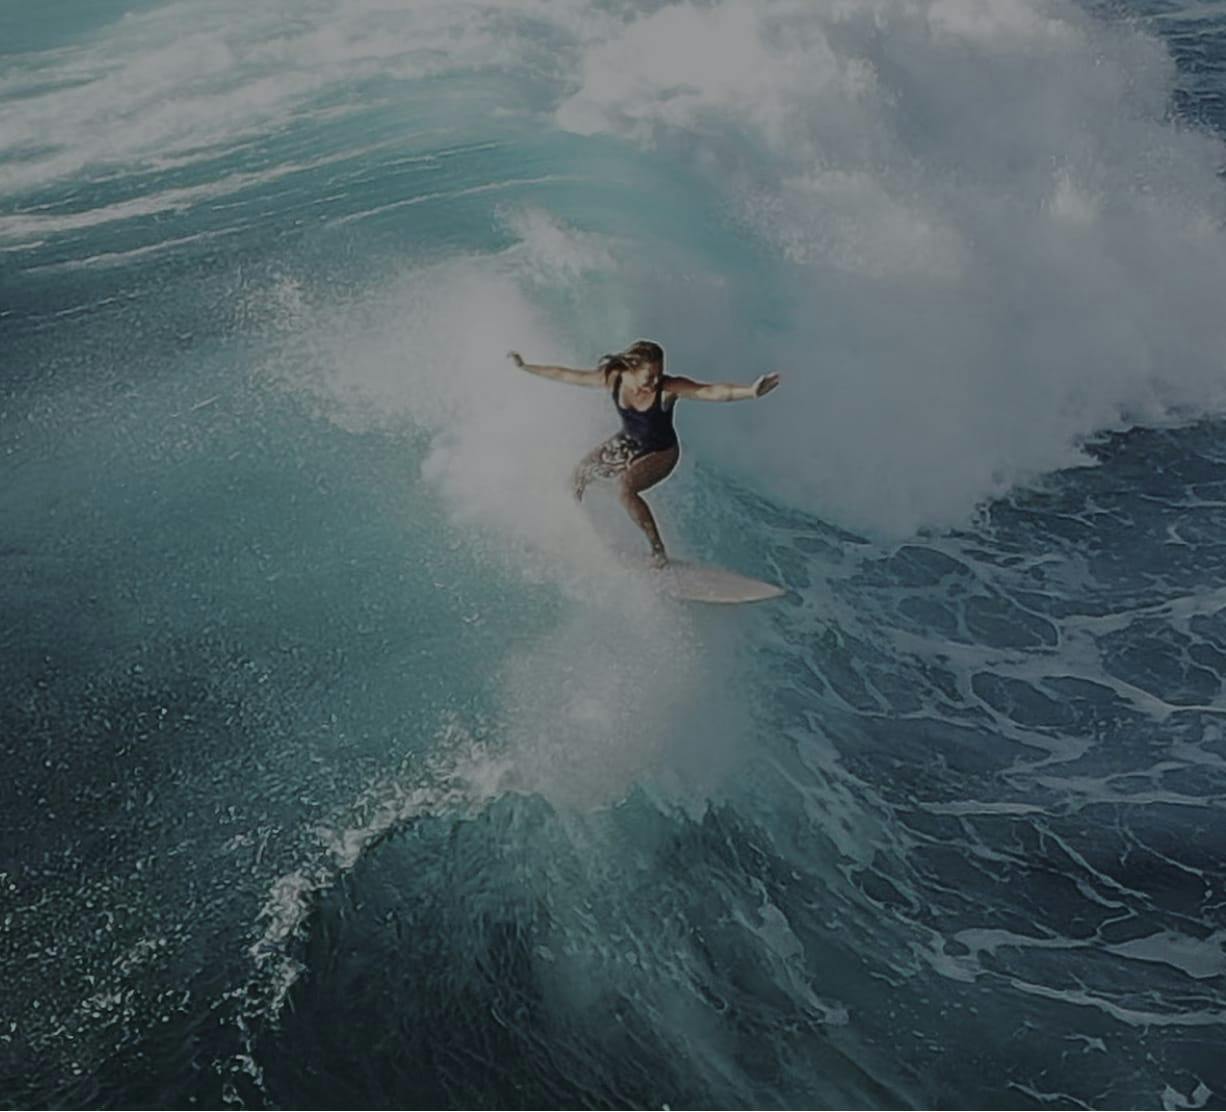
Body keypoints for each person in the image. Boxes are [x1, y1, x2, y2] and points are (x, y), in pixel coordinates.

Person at [506, 339, 781, 567]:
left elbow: (709, 391)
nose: (656, 380)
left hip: (662, 451)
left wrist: (751, 391)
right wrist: (526, 366)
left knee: (625, 488)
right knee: (578, 476)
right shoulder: (613, 379)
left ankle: (659, 553)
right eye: (650, 376)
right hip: (629, 442)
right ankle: (576, 532)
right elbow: (566, 374)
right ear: (631, 369)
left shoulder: (666, 389)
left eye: (660, 373)